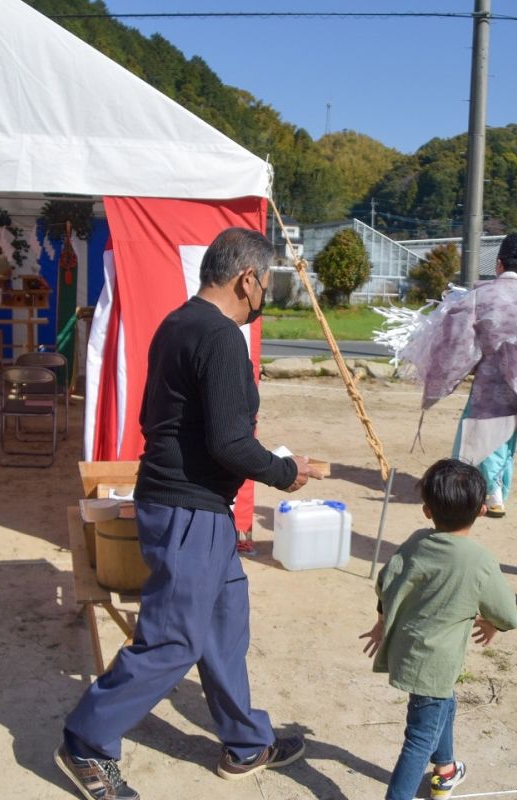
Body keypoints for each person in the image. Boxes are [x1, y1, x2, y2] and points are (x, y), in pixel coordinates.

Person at [57, 228, 323, 800]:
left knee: (225, 625)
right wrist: (285, 471)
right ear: (247, 279)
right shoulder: (221, 337)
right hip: (188, 511)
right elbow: (230, 441)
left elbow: (190, 426)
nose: (265, 295)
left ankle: (245, 743)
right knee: (172, 641)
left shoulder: (178, 322)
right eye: (266, 283)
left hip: (196, 509)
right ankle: (85, 741)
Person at [359, 458, 517, 800]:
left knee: (444, 703)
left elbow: (386, 582)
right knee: (419, 738)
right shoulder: (480, 561)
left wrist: (381, 621)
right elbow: (508, 613)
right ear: (481, 511)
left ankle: (445, 769)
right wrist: (492, 623)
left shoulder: (417, 542)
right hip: (435, 664)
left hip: (411, 650)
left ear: (427, 511)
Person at [411, 233, 517, 518]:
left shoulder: (481, 296)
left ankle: (490, 494)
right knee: (505, 435)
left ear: (499, 264)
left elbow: (459, 343)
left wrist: (444, 378)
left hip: (491, 378)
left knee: (482, 434)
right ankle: (494, 489)